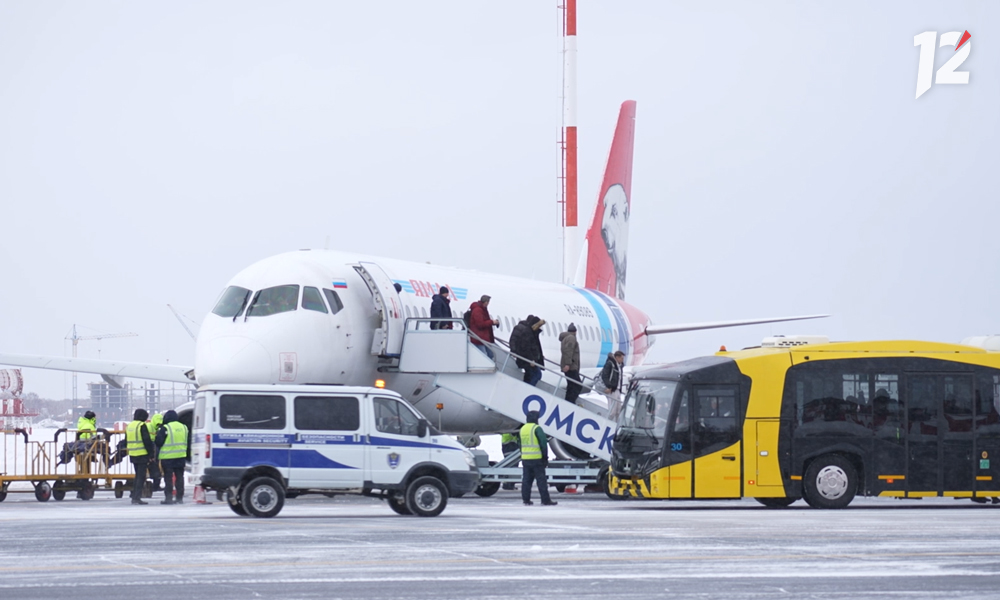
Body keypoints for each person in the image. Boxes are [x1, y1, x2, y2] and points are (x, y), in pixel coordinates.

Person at [519, 410, 557, 506]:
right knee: (541, 481)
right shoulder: (536, 428)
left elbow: (519, 444)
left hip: (526, 459)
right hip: (537, 459)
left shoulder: (522, 429)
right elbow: (543, 444)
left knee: (526, 481)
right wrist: (545, 457)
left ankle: (526, 500)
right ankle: (545, 500)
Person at [155, 410, 189, 504]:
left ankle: (168, 498)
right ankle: (179, 498)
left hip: (168, 457)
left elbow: (158, 442)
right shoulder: (184, 427)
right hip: (181, 456)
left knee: (168, 478)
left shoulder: (166, 428)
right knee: (180, 477)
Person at [125, 408, 154, 505]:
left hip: (133, 454)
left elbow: (126, 440)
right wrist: (151, 454)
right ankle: (136, 497)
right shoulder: (141, 425)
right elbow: (147, 441)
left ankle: (134, 495)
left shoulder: (130, 426)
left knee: (137, 476)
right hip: (142, 454)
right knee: (141, 477)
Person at [509, 315, 545, 385]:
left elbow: (535, 347)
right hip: (527, 360)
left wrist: (539, 356)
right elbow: (526, 347)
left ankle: (527, 387)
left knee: (530, 375)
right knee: (536, 374)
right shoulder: (527, 333)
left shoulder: (532, 332)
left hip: (529, 359)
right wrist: (531, 359)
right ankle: (529, 388)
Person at [468, 294, 499, 359]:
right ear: (486, 302)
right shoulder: (478, 310)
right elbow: (480, 324)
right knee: (484, 356)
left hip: (483, 337)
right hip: (479, 338)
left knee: (490, 354)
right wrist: (491, 322)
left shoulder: (482, 309)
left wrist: (492, 322)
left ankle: (489, 368)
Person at [560, 323, 582, 404]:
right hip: (571, 367)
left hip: (570, 366)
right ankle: (570, 402)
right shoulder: (571, 338)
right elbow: (568, 351)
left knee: (571, 386)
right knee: (577, 385)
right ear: (575, 332)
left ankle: (569, 401)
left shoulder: (566, 338)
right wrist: (568, 364)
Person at [601, 351, 626, 419]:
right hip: (612, 389)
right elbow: (604, 375)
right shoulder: (610, 364)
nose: (622, 360)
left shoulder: (619, 366)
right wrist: (609, 386)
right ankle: (608, 424)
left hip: (617, 389)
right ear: (617, 357)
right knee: (612, 411)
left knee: (618, 410)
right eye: (622, 358)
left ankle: (615, 425)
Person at [146, 413, 164, 492]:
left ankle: (156, 484)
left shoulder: (157, 428)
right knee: (154, 465)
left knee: (156, 465)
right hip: (151, 446)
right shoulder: (149, 426)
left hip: (153, 446)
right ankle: (155, 484)